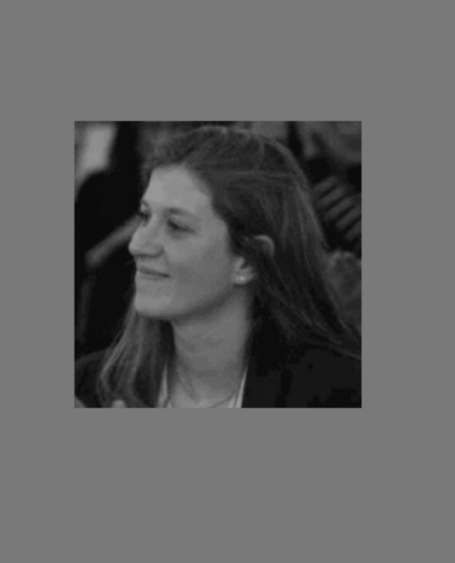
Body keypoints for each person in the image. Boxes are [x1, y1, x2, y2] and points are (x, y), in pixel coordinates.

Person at [75, 125, 361, 408]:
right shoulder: (89, 388)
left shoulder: (339, 392)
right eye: (145, 216)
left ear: (248, 260)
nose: (138, 244)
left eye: (176, 226)